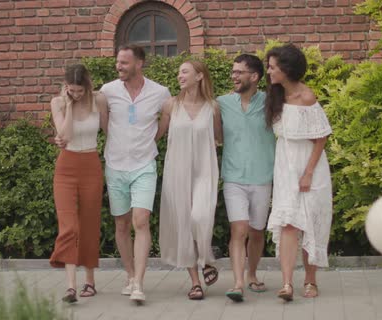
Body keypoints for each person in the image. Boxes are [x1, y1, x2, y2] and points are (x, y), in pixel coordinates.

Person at [99, 45, 171, 303]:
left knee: (141, 221)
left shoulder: (160, 92)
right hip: (115, 165)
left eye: (124, 63)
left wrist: (151, 140)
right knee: (121, 224)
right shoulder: (108, 91)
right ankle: (129, 275)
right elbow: (103, 121)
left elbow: (166, 119)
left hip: (144, 165)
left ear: (139, 64)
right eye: (118, 62)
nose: (119, 66)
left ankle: (139, 283)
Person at [264, 44, 333, 302]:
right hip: (285, 165)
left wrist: (307, 173)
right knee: (288, 223)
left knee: (312, 223)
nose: (269, 71)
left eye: (272, 67)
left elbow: (321, 137)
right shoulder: (275, 97)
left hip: (309, 165)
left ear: (286, 69)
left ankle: (311, 280)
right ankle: (286, 284)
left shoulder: (307, 97)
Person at [156, 60, 222, 300]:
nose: (179, 76)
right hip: (177, 173)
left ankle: (205, 258)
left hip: (205, 170)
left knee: (200, 217)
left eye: (184, 72)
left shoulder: (213, 107)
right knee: (184, 224)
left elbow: (219, 138)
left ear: (199, 76)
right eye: (178, 73)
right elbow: (157, 135)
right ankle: (196, 281)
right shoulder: (171, 105)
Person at [216, 54, 276, 302]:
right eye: (233, 71)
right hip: (233, 177)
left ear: (254, 77)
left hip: (263, 176)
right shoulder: (221, 103)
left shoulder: (271, 102)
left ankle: (252, 274)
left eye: (239, 72)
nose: (234, 76)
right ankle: (238, 282)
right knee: (238, 229)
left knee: (257, 230)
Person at [49, 63, 109, 303]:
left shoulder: (99, 100)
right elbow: (64, 136)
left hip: (91, 165)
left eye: (79, 91)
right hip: (66, 168)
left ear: (87, 85)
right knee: (68, 226)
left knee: (88, 224)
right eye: (71, 90)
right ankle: (71, 287)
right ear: (66, 87)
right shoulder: (59, 102)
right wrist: (71, 105)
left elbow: (109, 130)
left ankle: (90, 282)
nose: (76, 94)